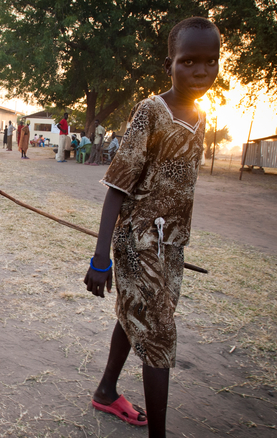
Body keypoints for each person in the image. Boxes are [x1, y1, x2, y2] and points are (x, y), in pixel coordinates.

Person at [84, 17, 220, 438]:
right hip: (136, 245)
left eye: (210, 62)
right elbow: (117, 189)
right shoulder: (151, 112)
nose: (200, 72)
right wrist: (101, 257)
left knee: (136, 319)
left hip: (169, 248)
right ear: (169, 65)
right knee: (159, 338)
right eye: (188, 61)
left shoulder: (199, 116)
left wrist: (174, 243)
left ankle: (107, 391)